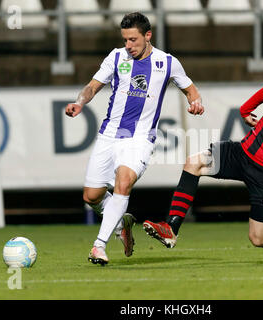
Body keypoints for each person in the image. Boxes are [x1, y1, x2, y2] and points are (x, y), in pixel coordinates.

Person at [143, 47, 263, 261]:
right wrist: (245, 110)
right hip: (243, 153)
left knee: (259, 239)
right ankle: (171, 228)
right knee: (194, 163)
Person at [65, 12, 204, 265]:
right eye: (125, 40)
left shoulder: (167, 62)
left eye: (133, 39)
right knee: (91, 196)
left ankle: (99, 246)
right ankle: (122, 222)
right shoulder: (116, 57)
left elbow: (190, 88)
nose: (128, 45)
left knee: (124, 182)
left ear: (148, 35)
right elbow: (92, 86)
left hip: (140, 137)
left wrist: (195, 101)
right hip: (109, 135)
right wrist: (79, 102)